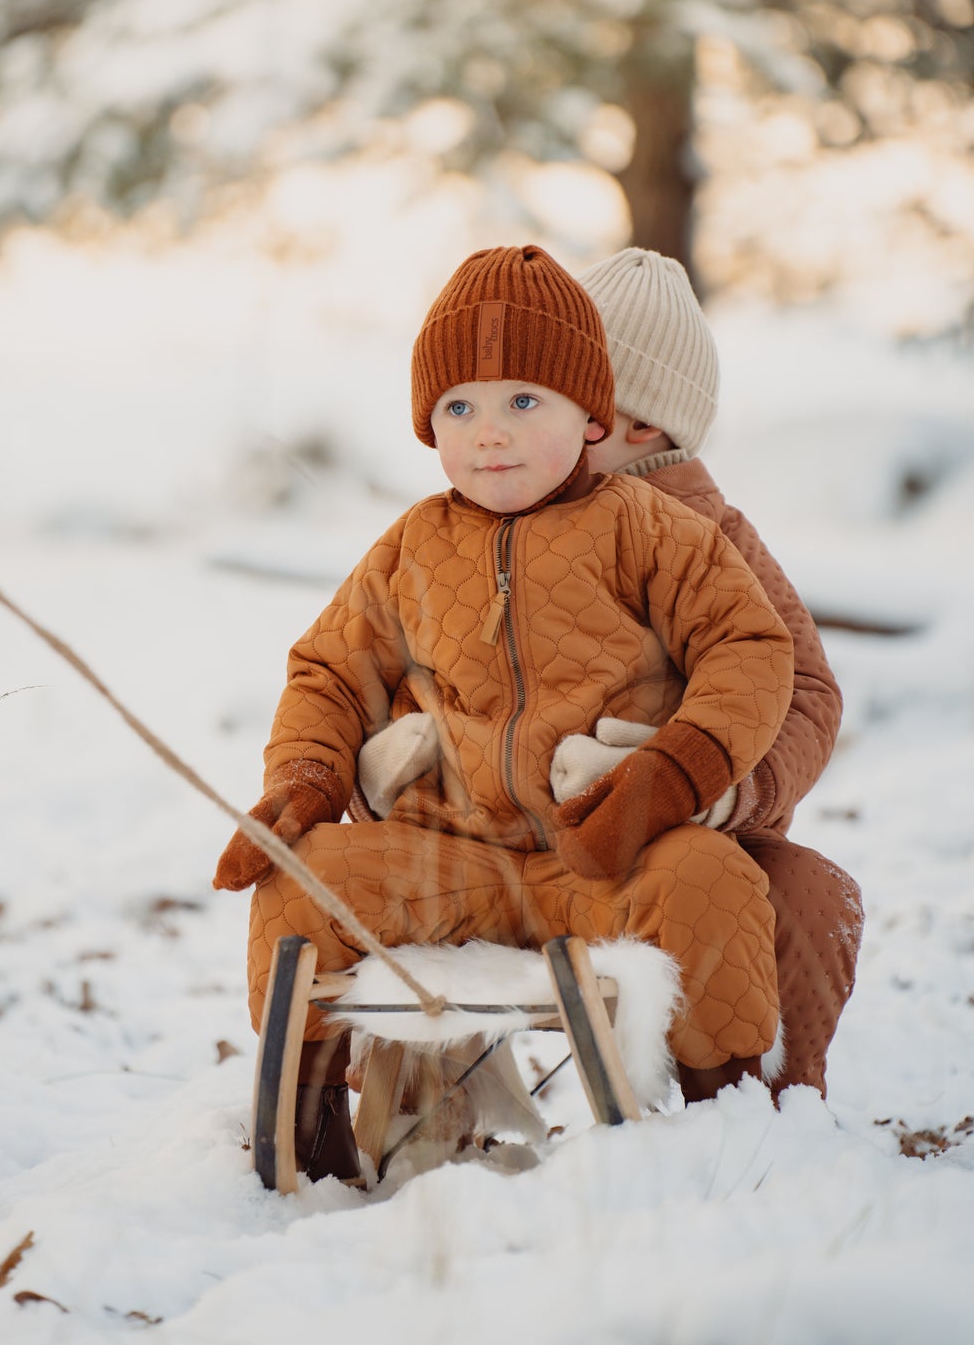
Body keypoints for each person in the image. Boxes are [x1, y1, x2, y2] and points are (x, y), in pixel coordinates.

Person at [214, 244, 795, 1181]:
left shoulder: (651, 530)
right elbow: (328, 670)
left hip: (604, 856)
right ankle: (313, 1119)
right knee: (305, 882)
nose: (491, 433)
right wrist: (308, 777)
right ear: (428, 426)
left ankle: (728, 1121)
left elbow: (751, 648)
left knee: (710, 880)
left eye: (523, 401)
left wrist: (676, 769)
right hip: (453, 861)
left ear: (590, 412)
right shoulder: (412, 546)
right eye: (460, 407)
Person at [360, 245, 863, 1104]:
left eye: (558, 397)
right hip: (493, 836)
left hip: (670, 831)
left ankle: (767, 1099)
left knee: (804, 897)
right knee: (370, 882)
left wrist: (716, 787)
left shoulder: (712, 536)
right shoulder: (482, 526)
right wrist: (398, 752)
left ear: (637, 425)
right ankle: (395, 1094)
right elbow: (420, 649)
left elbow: (803, 687)